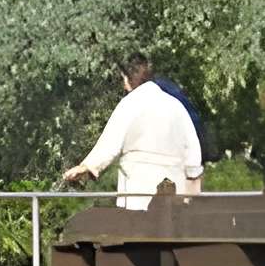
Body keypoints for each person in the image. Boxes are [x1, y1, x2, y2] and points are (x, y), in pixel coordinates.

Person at [61, 54, 204, 209]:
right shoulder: (177, 107)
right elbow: (193, 154)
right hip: (174, 197)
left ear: (127, 79)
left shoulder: (130, 104)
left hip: (138, 193)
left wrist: (87, 167)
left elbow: (110, 143)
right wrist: (191, 190)